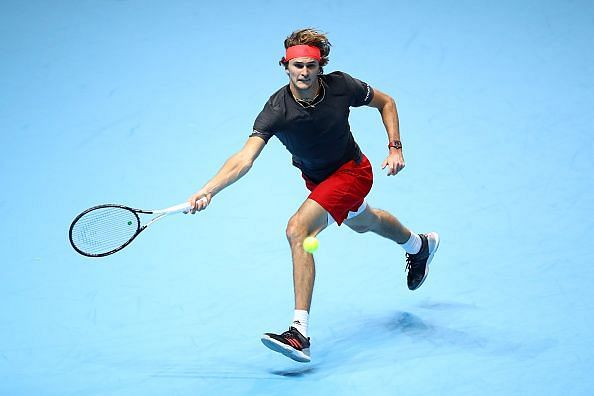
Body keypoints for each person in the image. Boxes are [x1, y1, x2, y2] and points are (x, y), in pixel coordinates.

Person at [186, 28, 439, 363]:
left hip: (352, 171)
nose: (303, 72)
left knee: (297, 230)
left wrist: (395, 148)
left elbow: (386, 102)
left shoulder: (341, 87)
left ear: (320, 66)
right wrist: (209, 190)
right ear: (286, 67)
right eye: (296, 66)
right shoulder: (276, 109)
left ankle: (299, 333)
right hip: (318, 180)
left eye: (310, 66)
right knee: (364, 222)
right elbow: (244, 157)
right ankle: (419, 246)